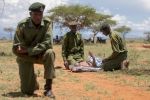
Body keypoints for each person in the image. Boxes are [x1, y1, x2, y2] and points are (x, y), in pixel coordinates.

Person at [12, 2, 55, 98]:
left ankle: (48, 89)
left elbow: (48, 43)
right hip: (25, 56)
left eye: (40, 14)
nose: (38, 17)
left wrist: (29, 50)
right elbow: (17, 47)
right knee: (27, 91)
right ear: (30, 14)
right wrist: (20, 50)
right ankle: (33, 81)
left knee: (50, 53)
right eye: (35, 14)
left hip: (40, 54)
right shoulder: (22, 25)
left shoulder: (47, 23)